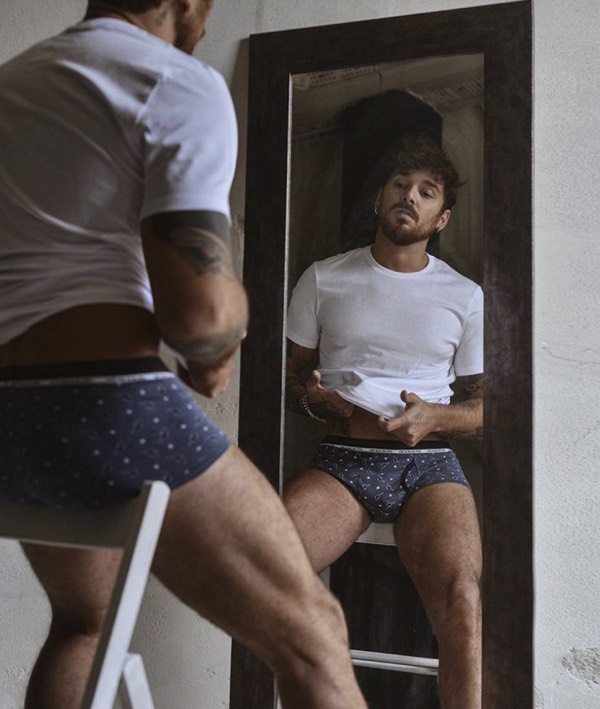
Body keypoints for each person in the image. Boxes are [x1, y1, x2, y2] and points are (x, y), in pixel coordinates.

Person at [0, 2, 368, 708]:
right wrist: (219, 344)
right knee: (313, 633)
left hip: (11, 420)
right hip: (101, 402)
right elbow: (200, 317)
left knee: (85, 625)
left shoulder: (14, 82)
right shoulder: (172, 81)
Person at [284, 134, 484, 709]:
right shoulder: (323, 278)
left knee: (463, 599)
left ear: (441, 217)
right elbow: (288, 380)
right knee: (268, 575)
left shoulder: (464, 295)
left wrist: (436, 415)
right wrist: (314, 401)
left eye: (427, 191)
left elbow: (486, 407)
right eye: (400, 184)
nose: (409, 196)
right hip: (344, 461)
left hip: (430, 465)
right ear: (379, 199)